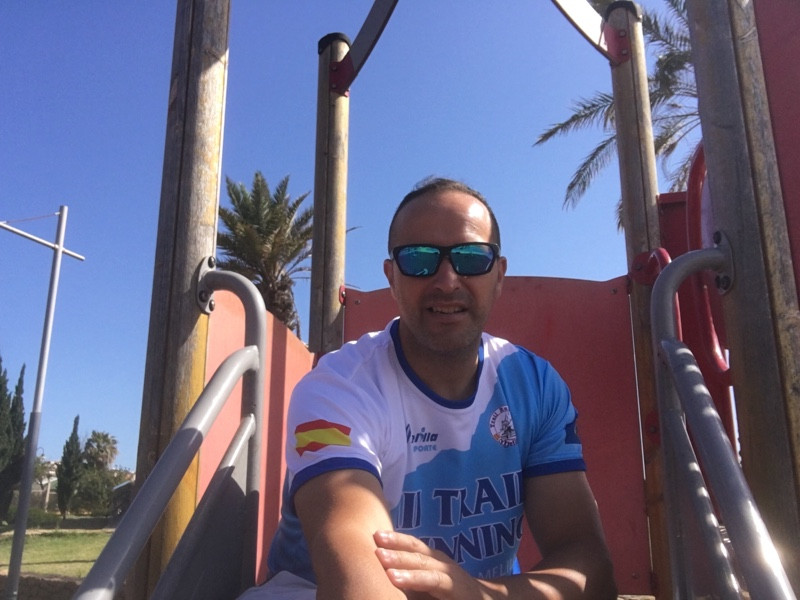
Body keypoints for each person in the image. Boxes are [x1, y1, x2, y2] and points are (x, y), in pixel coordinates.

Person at [240, 178, 617, 599]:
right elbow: (359, 586)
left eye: (472, 258)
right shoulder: (337, 390)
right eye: (419, 260)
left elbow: (589, 569)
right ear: (392, 277)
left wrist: (479, 594)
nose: (447, 280)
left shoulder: (535, 384)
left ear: (499, 275)